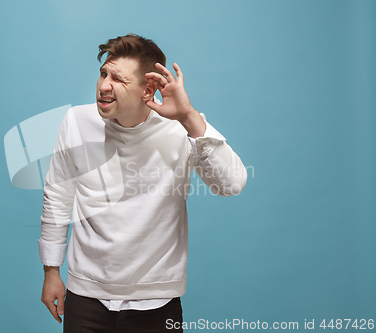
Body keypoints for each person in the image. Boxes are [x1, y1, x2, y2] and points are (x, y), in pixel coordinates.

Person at [39, 34, 247, 333]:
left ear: (147, 88)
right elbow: (57, 195)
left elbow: (232, 183)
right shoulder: (76, 122)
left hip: (157, 301)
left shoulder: (181, 128)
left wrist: (189, 117)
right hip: (86, 297)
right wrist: (51, 272)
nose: (104, 85)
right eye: (103, 74)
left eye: (118, 79)